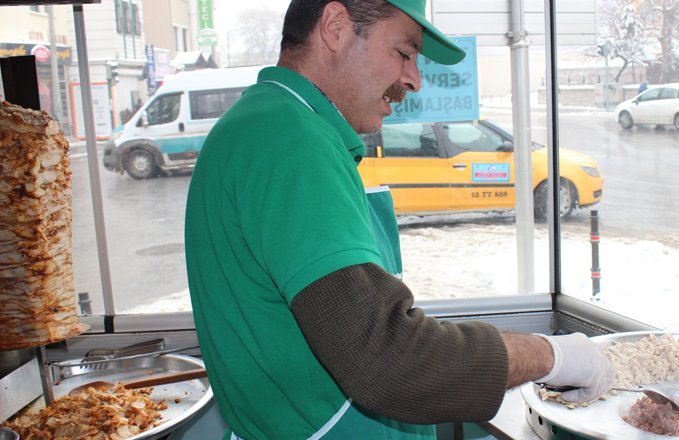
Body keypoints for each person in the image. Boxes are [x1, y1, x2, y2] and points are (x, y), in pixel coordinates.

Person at [184, 0, 615, 438]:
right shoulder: (291, 142)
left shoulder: (263, 124)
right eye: (404, 53)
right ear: (335, 27)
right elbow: (387, 360)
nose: (413, 79)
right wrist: (551, 356)